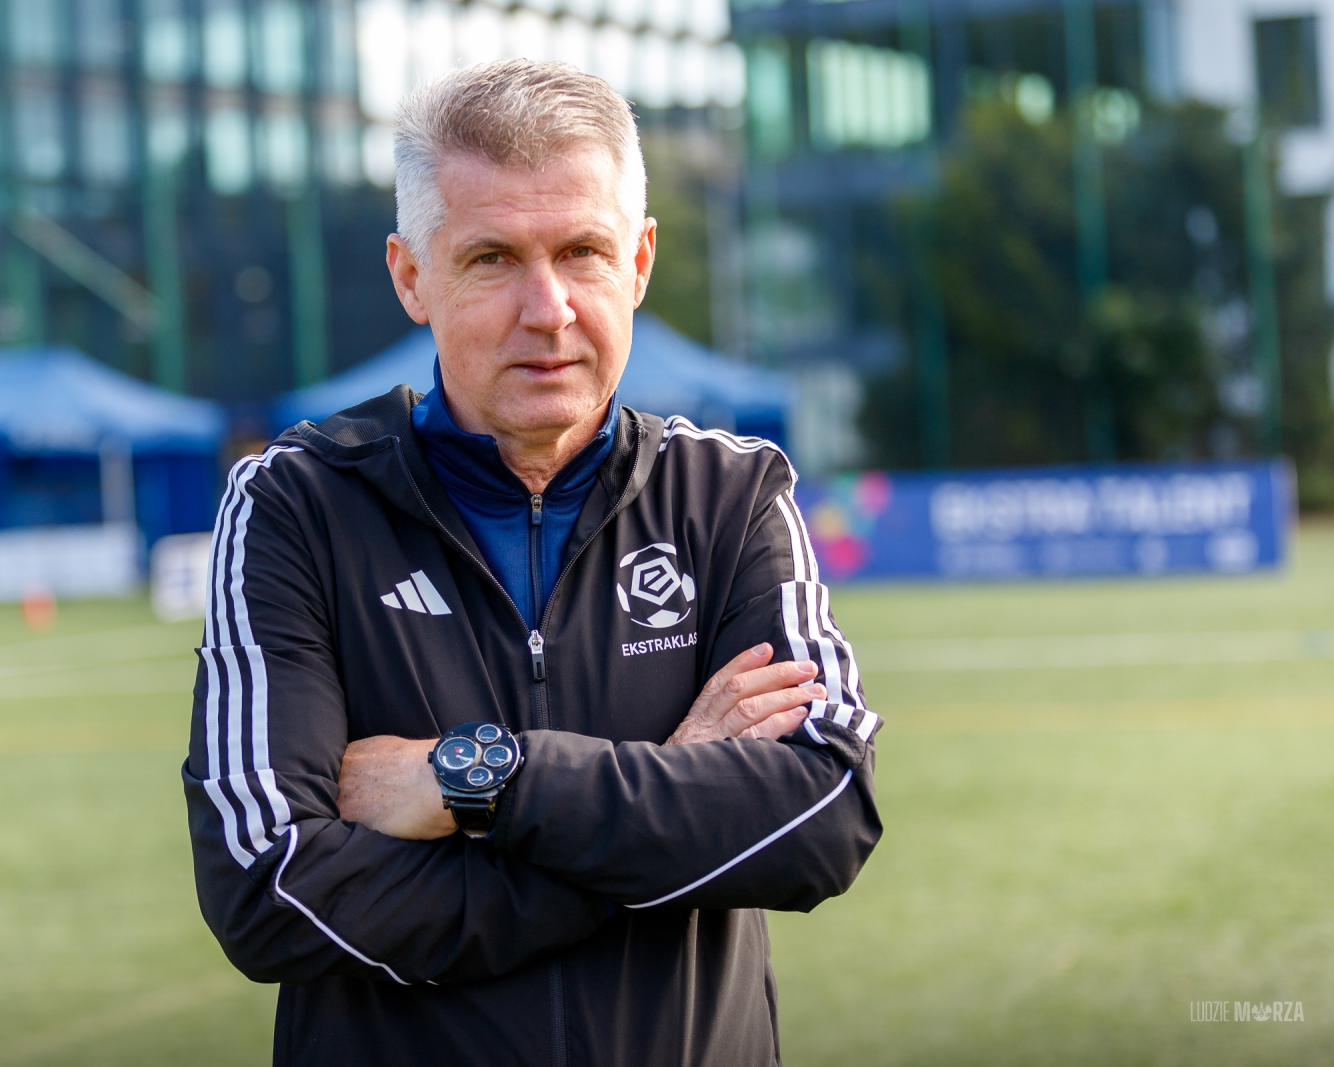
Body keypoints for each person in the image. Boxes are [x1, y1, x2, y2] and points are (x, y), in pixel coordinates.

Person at [183, 59, 882, 1066]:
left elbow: (823, 814)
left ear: (639, 262)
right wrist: (669, 791)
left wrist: (482, 777)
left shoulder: (728, 495)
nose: (547, 308)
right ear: (412, 277)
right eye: (492, 258)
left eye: (582, 251)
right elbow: (270, 889)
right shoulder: (298, 505)